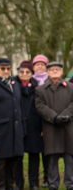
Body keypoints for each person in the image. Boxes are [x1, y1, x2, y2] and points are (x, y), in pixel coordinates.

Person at [0, 58, 25, 190]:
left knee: (12, 168)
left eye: (8, 68)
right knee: (0, 168)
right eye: (3, 68)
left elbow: (20, 107)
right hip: (0, 133)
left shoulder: (14, 84)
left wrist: (23, 129)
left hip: (15, 132)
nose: (6, 71)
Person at [35, 62, 73, 190]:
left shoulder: (71, 87)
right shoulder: (40, 90)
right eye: (52, 70)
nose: (55, 71)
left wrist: (65, 116)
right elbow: (40, 107)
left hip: (68, 127)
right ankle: (53, 184)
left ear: (62, 72)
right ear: (47, 72)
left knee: (70, 157)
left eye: (57, 69)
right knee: (52, 158)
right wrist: (55, 117)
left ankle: (70, 183)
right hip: (51, 127)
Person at [14, 61, 44, 190]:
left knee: (34, 156)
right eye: (22, 72)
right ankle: (19, 183)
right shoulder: (12, 86)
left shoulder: (37, 88)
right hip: (18, 125)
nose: (24, 74)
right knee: (18, 156)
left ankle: (33, 183)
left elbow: (42, 108)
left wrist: (42, 127)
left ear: (32, 74)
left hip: (34, 125)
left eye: (28, 72)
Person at [32, 54, 49, 187]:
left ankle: (47, 178)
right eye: (37, 64)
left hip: (48, 120)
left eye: (42, 64)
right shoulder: (29, 80)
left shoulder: (50, 80)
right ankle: (34, 180)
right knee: (33, 153)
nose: (40, 66)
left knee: (47, 153)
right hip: (33, 121)